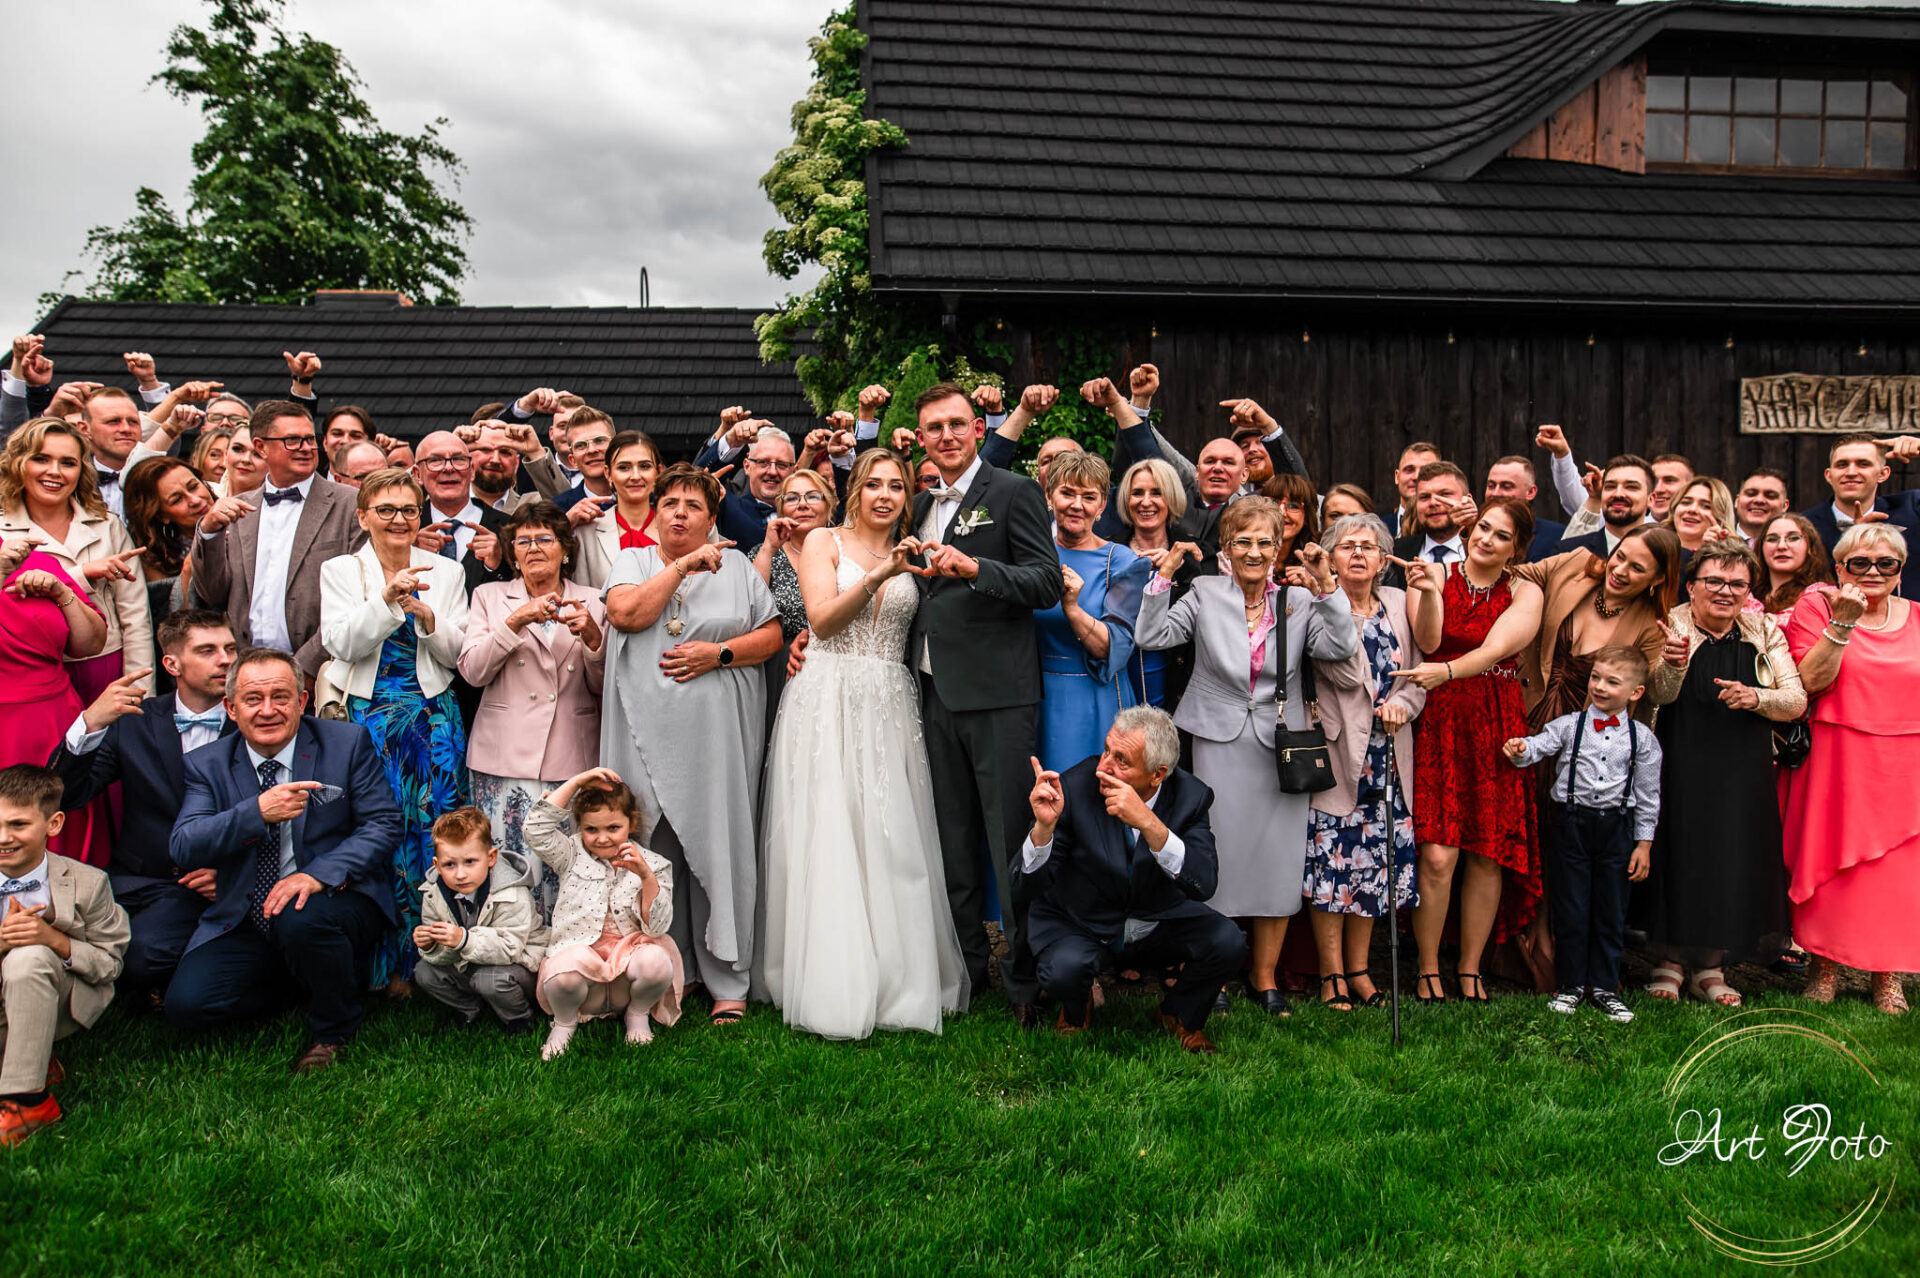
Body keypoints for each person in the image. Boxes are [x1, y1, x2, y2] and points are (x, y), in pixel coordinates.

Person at [760, 449, 969, 1039]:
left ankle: (897, 978)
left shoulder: (917, 550)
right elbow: (822, 621)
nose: (885, 495)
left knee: (890, 831)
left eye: (896, 486)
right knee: (830, 827)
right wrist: (879, 575)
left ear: (908, 497)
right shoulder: (823, 541)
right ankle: (830, 979)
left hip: (890, 698)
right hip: (826, 693)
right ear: (855, 490)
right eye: (873, 484)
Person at [1136, 497, 1355, 1015]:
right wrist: (1163, 578)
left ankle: (1264, 976)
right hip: (1217, 738)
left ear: (1278, 549)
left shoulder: (1299, 600)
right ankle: (1214, 971)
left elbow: (1341, 647)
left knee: (1277, 859)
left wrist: (1328, 585)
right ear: (1226, 548)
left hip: (1281, 747)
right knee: (1220, 855)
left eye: (1264, 543)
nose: (1254, 552)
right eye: (1243, 542)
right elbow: (1151, 635)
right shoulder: (1205, 593)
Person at [903, 383, 1064, 1026]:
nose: (945, 436)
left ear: (977, 428)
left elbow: (1045, 582)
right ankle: (966, 972)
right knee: (953, 840)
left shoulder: (1014, 491)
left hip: (999, 696)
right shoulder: (917, 504)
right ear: (921, 439)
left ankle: (1025, 982)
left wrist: (976, 571)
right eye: (933, 428)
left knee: (1010, 840)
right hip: (931, 689)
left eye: (955, 424)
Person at [602, 464, 783, 1025]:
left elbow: (771, 636)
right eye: (670, 504)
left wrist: (719, 654)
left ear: (711, 517)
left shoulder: (739, 568)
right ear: (655, 512)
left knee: (718, 842)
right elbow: (626, 615)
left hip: (715, 735)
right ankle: (658, 970)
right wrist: (681, 565)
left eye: (694, 506)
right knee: (651, 846)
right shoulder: (633, 560)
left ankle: (728, 977)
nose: (680, 513)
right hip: (643, 728)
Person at [166, 648, 404, 1073]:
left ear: (302, 700)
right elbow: (184, 844)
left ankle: (334, 1028)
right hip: (248, 913)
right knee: (188, 1006)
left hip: (335, 898)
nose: (267, 710)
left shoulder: (346, 743)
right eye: (253, 699)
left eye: (280, 696)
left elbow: (383, 824)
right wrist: (256, 812)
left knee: (301, 917)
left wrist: (316, 875)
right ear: (231, 708)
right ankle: (302, 982)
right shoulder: (207, 764)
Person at [319, 469, 471, 990]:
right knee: (379, 832)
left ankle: (436, 960)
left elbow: (458, 655)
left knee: (436, 830)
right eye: (385, 510)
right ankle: (382, 965)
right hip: (368, 720)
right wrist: (386, 601)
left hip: (431, 717)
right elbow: (341, 644)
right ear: (363, 516)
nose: (399, 519)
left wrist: (428, 618)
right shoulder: (341, 570)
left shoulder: (447, 571)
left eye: (408, 509)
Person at [1389, 499, 1543, 1004]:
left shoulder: (1525, 591)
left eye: (1501, 536)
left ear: (1516, 548)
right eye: (1483, 528)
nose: (1486, 539)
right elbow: (1429, 641)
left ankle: (1471, 967)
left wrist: (1449, 672)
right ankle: (1428, 965)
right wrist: (1430, 593)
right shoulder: (1435, 572)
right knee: (1438, 854)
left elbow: (1497, 648)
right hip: (1439, 722)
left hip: (1495, 720)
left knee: (1486, 852)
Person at [1637, 541, 1803, 1006]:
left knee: (1728, 857)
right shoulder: (1668, 623)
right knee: (1678, 851)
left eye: (1737, 584)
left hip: (1741, 768)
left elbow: (1795, 700)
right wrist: (1673, 663)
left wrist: (1757, 697)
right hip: (1679, 758)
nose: (1725, 591)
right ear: (1692, 586)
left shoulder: (1762, 630)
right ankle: (1669, 962)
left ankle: (1710, 967)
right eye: (1714, 581)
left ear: (1749, 592)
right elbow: (1658, 696)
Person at [1021, 708, 1242, 1051]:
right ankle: (1077, 1009)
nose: (1104, 767)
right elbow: (1028, 886)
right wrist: (1042, 830)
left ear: (1157, 775)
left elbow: (1204, 883)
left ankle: (1177, 1014)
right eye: (1106, 750)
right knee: (1064, 969)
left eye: (1121, 760)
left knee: (1228, 941)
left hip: (1158, 921)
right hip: (1085, 923)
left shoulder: (1191, 796)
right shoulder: (1075, 787)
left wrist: (1151, 825)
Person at [46, 610, 235, 998]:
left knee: (141, 957)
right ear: (172, 664)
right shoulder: (134, 720)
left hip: (213, 882)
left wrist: (235, 875)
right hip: (136, 877)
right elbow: (66, 795)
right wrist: (90, 722)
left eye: (230, 648)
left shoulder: (255, 721)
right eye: (207, 650)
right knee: (52, 926)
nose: (226, 660)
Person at [1782, 523, 1920, 1013]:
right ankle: (1823, 967)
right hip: (1836, 753)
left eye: (1886, 563)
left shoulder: (1918, 616)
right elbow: (1808, 682)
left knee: (1897, 873)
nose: (1873, 571)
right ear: (1840, 568)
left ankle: (1889, 975)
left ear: (1901, 570)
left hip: (1906, 762)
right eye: (1859, 562)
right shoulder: (1816, 607)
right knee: (1830, 861)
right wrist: (1841, 623)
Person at [1305, 514, 1433, 1009]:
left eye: (1368, 546)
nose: (1358, 553)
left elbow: (1419, 669)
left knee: (1374, 865)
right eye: (1347, 546)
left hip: (1392, 755)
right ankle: (1330, 973)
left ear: (1383, 560)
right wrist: (1331, 592)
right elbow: (1341, 672)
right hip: (1341, 753)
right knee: (1332, 865)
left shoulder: (1400, 602)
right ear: (1331, 558)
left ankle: (1359, 970)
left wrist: (1405, 703)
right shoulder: (1318, 605)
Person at [457, 500, 603, 920]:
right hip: (503, 755)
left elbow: (601, 687)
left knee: (563, 867)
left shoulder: (594, 600)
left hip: (568, 753)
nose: (534, 548)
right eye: (523, 541)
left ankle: (565, 948)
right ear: (512, 553)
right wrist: (514, 622)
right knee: (509, 865)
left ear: (565, 549)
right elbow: (473, 671)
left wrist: (594, 639)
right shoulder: (489, 597)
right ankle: (507, 947)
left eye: (544, 539)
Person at [1500, 646, 1661, 1024]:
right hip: (1572, 825)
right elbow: (1539, 746)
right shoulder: (1570, 725)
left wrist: (1643, 844)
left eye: (1612, 682)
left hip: (1616, 829)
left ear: (1636, 692)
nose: (1599, 687)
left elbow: (1648, 795)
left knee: (1610, 911)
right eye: (1596, 678)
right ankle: (1570, 985)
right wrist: (1521, 749)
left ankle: (1604, 988)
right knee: (1571, 908)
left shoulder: (1642, 739)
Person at [0, 765, 130, 1145]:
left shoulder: (88, 883)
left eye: (18, 825)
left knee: (30, 959)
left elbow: (111, 963)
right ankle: (34, 1058)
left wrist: (54, 940)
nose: (4, 837)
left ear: (53, 824)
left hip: (58, 996)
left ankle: (29, 1101)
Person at [191, 400, 361, 678]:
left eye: (309, 439)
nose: (306, 448)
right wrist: (208, 532)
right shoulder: (239, 508)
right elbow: (213, 594)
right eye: (292, 440)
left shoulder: (350, 504)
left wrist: (304, 669)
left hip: (321, 672)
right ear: (261, 447)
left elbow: (358, 599)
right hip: (245, 669)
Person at [524, 769, 682, 1059]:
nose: (602, 838)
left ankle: (637, 1015)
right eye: (591, 829)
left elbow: (658, 927)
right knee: (564, 973)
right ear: (580, 827)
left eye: (613, 828)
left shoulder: (654, 864)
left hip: (625, 980)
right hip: (583, 983)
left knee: (657, 961)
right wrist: (576, 782)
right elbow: (535, 830)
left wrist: (646, 877)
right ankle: (564, 1023)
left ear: (630, 823)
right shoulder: (571, 854)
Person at [0, 419, 154, 707]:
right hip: (31, 679)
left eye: (68, 463)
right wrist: (80, 575)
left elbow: (135, 618)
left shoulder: (107, 525)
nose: (54, 472)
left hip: (107, 668)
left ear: (82, 470)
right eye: (41, 459)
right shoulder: (2, 531)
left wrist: (141, 694)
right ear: (18, 463)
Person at [1035, 451, 1152, 769]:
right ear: (1049, 496)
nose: (1077, 505)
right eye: (1067, 493)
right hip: (1033, 696)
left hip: (1096, 696)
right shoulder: (1030, 554)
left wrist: (1072, 609)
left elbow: (1114, 647)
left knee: (1089, 789)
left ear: (1101, 507)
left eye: (1089, 497)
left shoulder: (1121, 561)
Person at [0, 535, 110, 865]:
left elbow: (91, 644)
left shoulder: (36, 560)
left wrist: (61, 593)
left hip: (55, 719)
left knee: (63, 819)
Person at [412, 806, 542, 1036]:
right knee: (424, 971)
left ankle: (519, 1018)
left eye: (470, 861)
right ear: (437, 864)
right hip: (470, 963)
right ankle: (469, 1007)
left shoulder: (511, 892)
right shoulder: (433, 893)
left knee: (488, 979)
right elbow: (443, 951)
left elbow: (510, 947)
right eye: (450, 865)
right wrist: (431, 945)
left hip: (519, 965)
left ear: (491, 858)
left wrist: (464, 940)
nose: (460, 874)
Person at [752, 466, 836, 730]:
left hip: (835, 662)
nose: (802, 504)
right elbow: (748, 607)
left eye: (813, 496)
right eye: (792, 498)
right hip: (779, 667)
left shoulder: (846, 550)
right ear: (781, 509)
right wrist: (768, 548)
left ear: (829, 504)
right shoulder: (765, 552)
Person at [1799, 434, 1920, 601]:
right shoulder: (1804, 525)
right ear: (1829, 475)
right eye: (1842, 465)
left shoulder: (1912, 508)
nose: (1851, 472)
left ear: (1883, 473)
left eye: (1863, 464)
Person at [1114, 457, 1193, 709]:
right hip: (1118, 680)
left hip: (1173, 682)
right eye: (1137, 493)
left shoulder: (1193, 554)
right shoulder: (1108, 551)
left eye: (1157, 493)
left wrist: (1171, 570)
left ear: (1171, 497)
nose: (1146, 502)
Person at [412, 430, 511, 596]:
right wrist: (411, 555)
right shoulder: (406, 527)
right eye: (435, 460)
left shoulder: (509, 527)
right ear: (417, 474)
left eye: (458, 459)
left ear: (472, 470)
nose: (448, 468)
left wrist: (497, 565)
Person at [124, 456, 212, 623]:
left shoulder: (243, 516)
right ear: (160, 515)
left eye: (194, 486)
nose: (195, 500)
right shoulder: (154, 560)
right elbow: (178, 624)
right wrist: (189, 570)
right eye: (177, 499)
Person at [718, 430, 798, 553]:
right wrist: (729, 442)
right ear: (747, 466)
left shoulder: (807, 511)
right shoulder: (730, 509)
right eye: (763, 462)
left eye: (781, 464)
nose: (772, 472)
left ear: (794, 471)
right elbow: (697, 480)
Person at [1558, 455, 1655, 556]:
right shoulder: (1569, 552)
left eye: (1631, 487)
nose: (1618, 494)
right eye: (1610, 487)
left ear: (1651, 499)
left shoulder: (1662, 554)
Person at [78, 388, 145, 521]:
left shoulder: (157, 477)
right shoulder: (73, 480)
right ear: (85, 429)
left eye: (133, 422)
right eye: (113, 421)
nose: (126, 429)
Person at [1484, 455, 1566, 561]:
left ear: (1530, 492)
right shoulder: (1471, 530)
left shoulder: (1556, 536)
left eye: (1506, 487)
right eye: (1491, 486)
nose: (1495, 493)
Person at [1759, 513, 1836, 623]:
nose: (1781, 546)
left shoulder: (1824, 595)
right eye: (1772, 539)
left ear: (1810, 546)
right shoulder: (1746, 594)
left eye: (1793, 538)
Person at [550, 408, 617, 518]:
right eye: (580, 445)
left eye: (599, 440)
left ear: (615, 447)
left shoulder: (644, 499)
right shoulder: (556, 511)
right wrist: (567, 525)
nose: (591, 450)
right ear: (572, 460)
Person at [1663, 476, 1737, 558]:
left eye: (1706, 506)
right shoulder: (1653, 546)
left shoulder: (1730, 559)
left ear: (1720, 516)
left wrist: (1711, 554)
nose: (1692, 509)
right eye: (1686, 502)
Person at [1389, 442, 1442, 538]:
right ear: (1397, 476)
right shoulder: (1378, 528)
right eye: (1409, 469)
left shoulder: (1456, 529)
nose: (1416, 477)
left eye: (1426, 470)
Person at [1734, 468, 1792, 545]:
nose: (1759, 500)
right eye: (1751, 494)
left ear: (1784, 506)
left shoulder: (1798, 548)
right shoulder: (1718, 544)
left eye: (1770, 496)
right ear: (1737, 501)